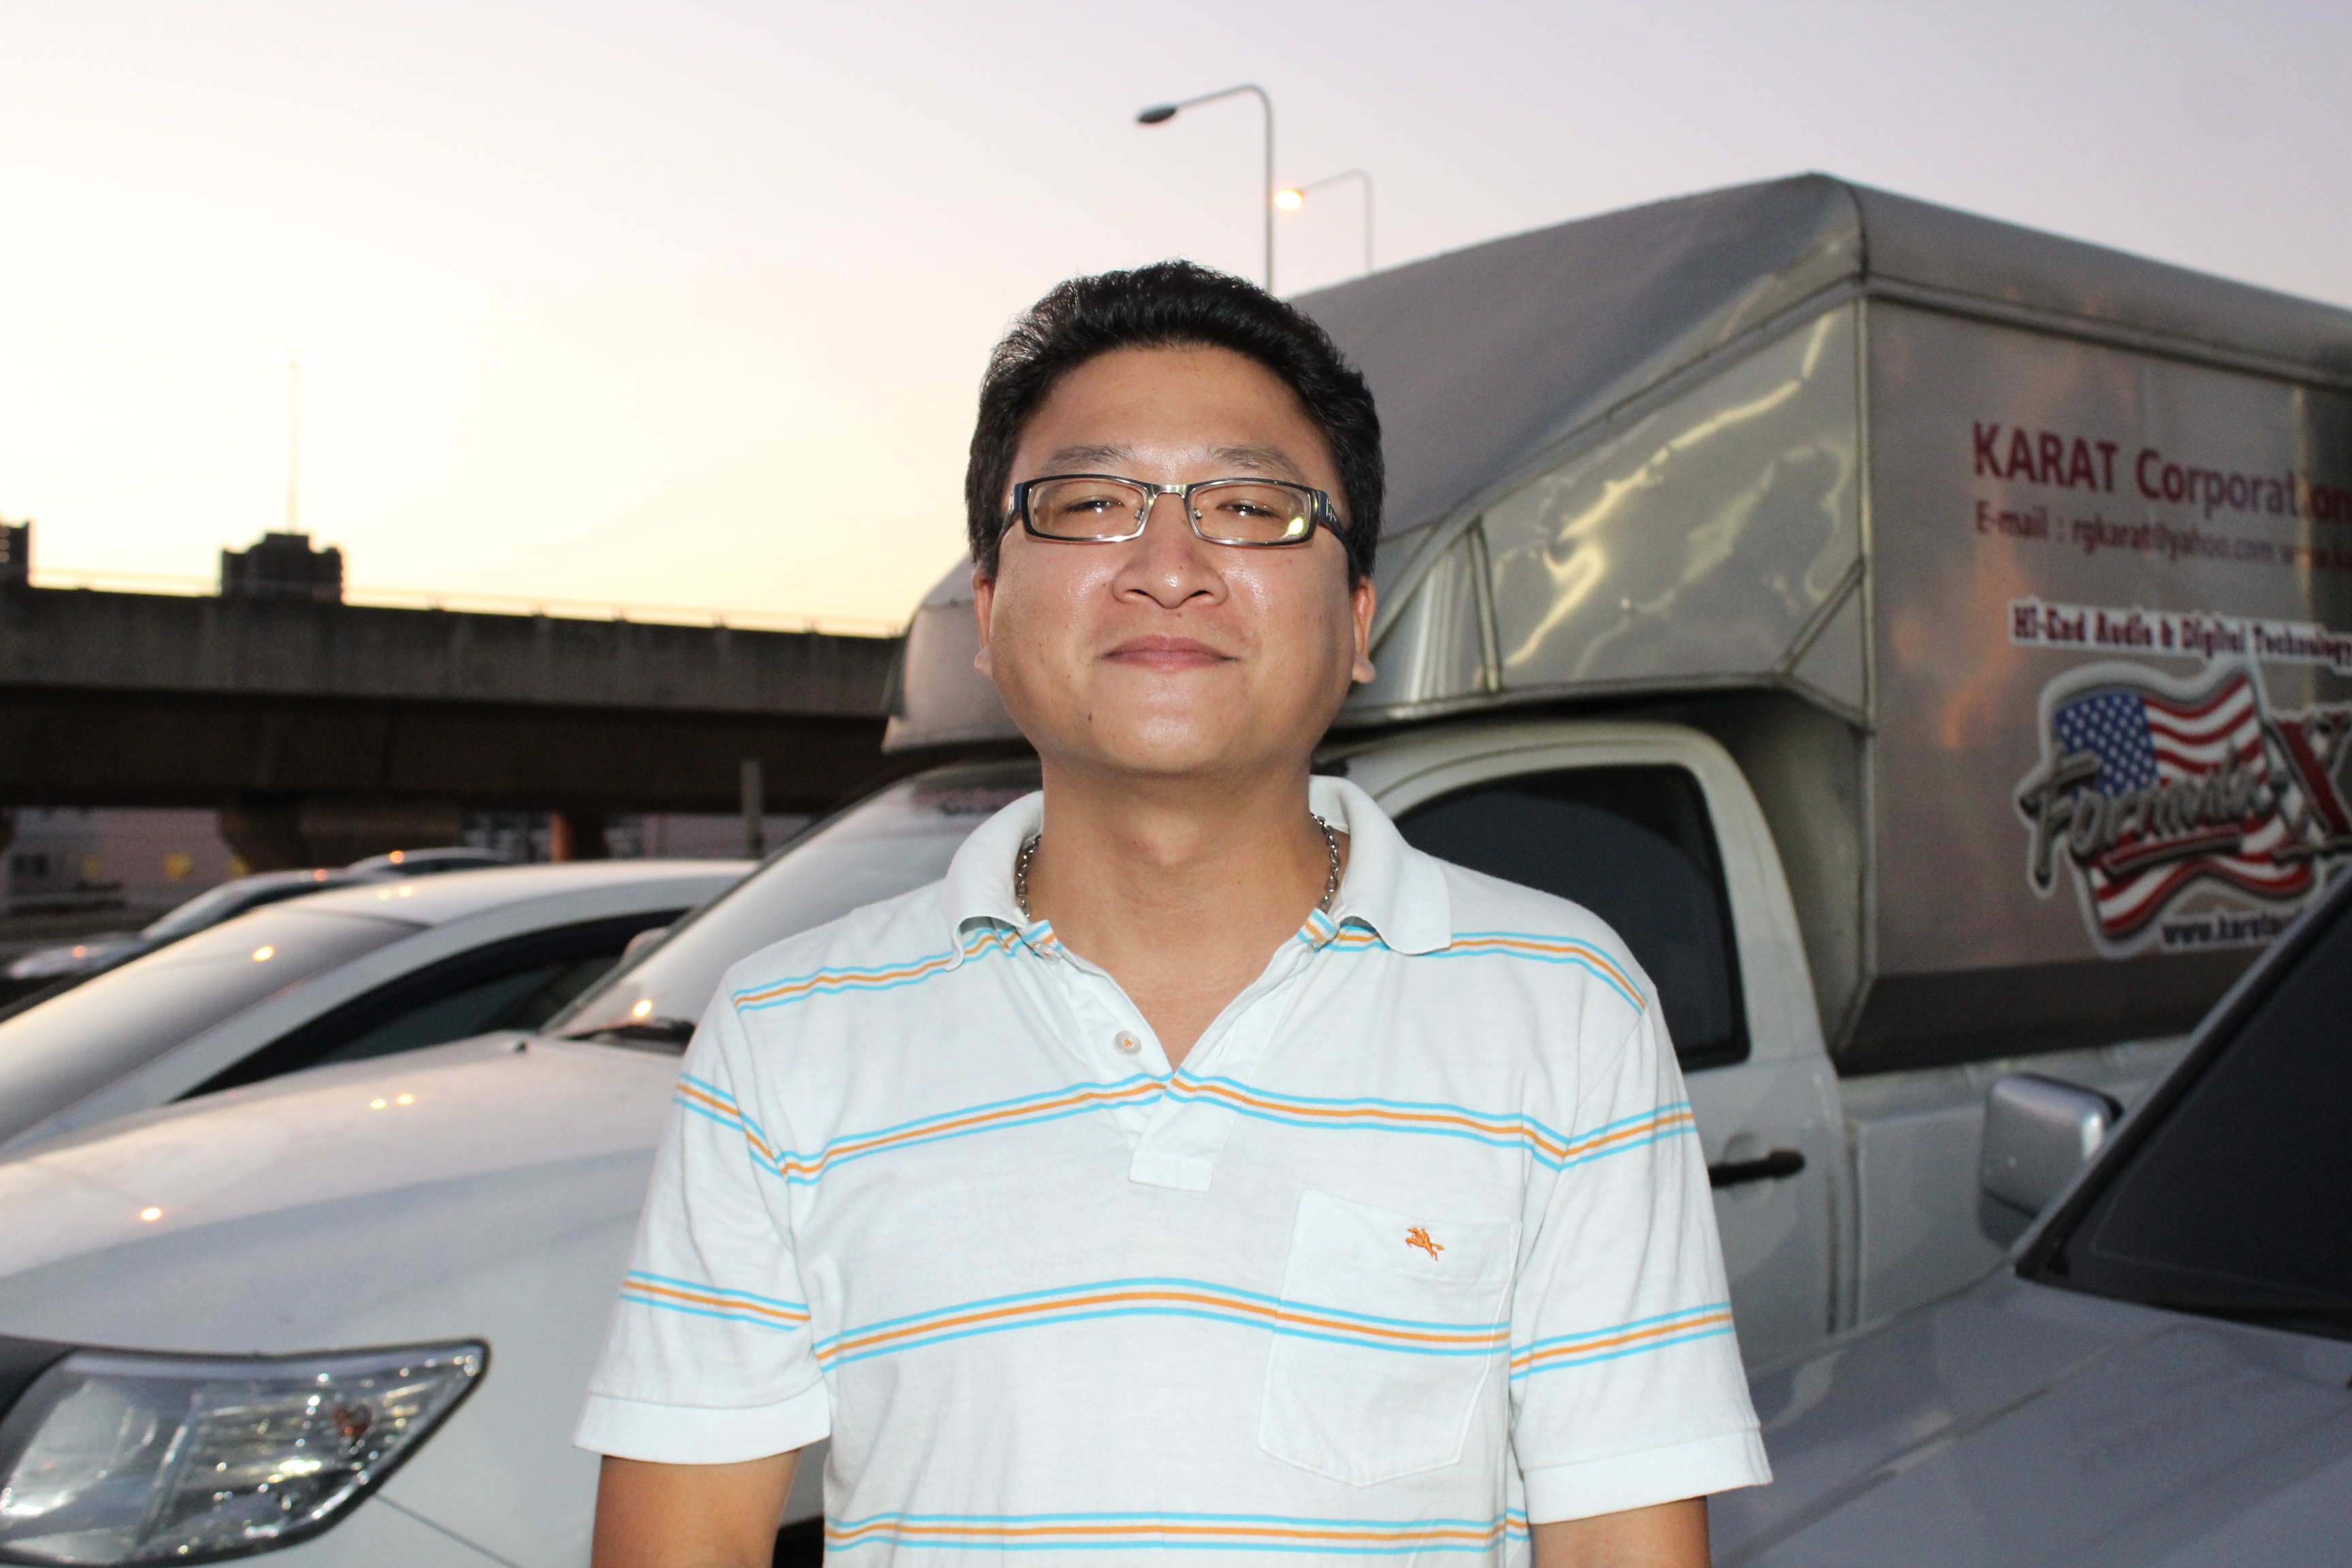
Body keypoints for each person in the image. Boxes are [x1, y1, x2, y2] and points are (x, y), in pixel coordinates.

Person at [578, 261, 1767, 1567]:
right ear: (990, 613)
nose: (1167, 566)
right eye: (1091, 504)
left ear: (1357, 620)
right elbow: (681, 1539)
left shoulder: (1562, 1006)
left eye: (1251, 509)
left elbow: (1620, 1540)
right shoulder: (785, 1032)